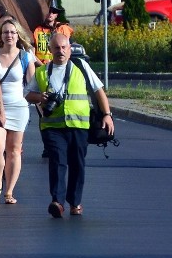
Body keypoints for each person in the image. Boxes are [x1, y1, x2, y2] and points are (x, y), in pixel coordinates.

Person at [26, 33, 114, 218]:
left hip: (78, 126)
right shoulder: (42, 72)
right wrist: (40, 97)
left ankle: (75, 202)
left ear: (69, 49)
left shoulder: (81, 67)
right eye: (56, 48)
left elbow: (98, 91)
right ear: (50, 50)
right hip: (52, 126)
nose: (61, 51)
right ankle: (57, 201)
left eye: (64, 47)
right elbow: (28, 94)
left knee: (77, 163)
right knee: (58, 160)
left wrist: (107, 115)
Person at [0, 19, 35, 205]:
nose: (9, 35)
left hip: (19, 107)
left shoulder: (25, 56)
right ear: (0, 36)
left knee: (14, 151)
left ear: (18, 36)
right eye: (5, 32)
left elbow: (32, 85)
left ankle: (9, 191)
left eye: (13, 32)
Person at [33, 0, 73, 66]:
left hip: (60, 66)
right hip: (41, 67)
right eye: (48, 10)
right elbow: (32, 52)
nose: (51, 13)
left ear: (56, 15)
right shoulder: (37, 30)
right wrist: (43, 67)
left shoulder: (63, 28)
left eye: (54, 11)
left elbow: (68, 50)